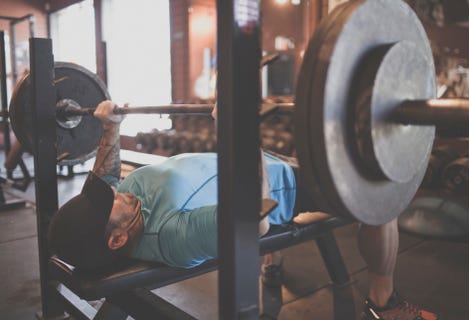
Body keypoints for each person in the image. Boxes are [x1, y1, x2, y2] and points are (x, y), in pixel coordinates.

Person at [48, 101, 438, 320]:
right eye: (108, 204)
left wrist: (111, 126)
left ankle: (274, 266)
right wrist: (238, 130)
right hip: (288, 188)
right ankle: (384, 302)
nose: (113, 193)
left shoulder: (117, 208)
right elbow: (256, 219)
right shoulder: (172, 236)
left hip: (268, 161)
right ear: (117, 239)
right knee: (386, 196)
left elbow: (105, 177)